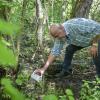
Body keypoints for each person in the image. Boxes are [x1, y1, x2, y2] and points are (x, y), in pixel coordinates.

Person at [35, 18, 100, 78]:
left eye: (58, 35)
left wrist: (95, 44)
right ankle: (66, 70)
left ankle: (99, 78)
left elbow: (98, 28)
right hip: (84, 42)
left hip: (97, 39)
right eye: (56, 37)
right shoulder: (60, 36)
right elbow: (54, 52)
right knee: (69, 49)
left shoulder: (75, 24)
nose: (58, 38)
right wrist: (43, 69)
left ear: (61, 28)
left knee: (95, 54)